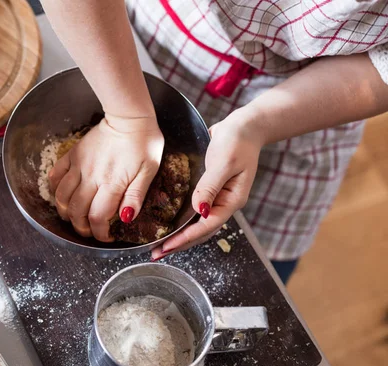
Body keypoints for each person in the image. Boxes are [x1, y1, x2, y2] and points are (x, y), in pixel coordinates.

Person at [41, 0, 388, 283]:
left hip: (305, 105)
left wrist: (256, 126)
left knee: (251, 272)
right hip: (127, 46)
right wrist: (125, 117)